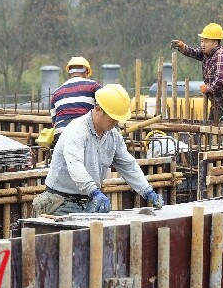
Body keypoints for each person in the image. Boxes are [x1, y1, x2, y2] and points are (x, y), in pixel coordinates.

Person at [33, 84, 164, 216]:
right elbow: (75, 166)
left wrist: (147, 190)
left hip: (89, 198)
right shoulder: (77, 131)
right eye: (113, 118)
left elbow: (128, 165)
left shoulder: (113, 136)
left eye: (118, 119)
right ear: (98, 109)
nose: (116, 122)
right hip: (60, 201)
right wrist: (95, 192)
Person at [170, 22, 223, 122]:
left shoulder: (221, 55)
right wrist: (182, 46)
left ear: (215, 42)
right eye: (202, 41)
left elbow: (220, 80)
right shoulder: (206, 53)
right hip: (216, 103)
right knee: (211, 128)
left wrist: (207, 88)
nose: (203, 44)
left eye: (206, 41)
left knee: (216, 129)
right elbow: (194, 52)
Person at [49, 56, 101, 145]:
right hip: (82, 133)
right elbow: (105, 106)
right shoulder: (93, 86)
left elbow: (54, 122)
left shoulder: (56, 93)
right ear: (86, 72)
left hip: (60, 136)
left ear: (69, 74)